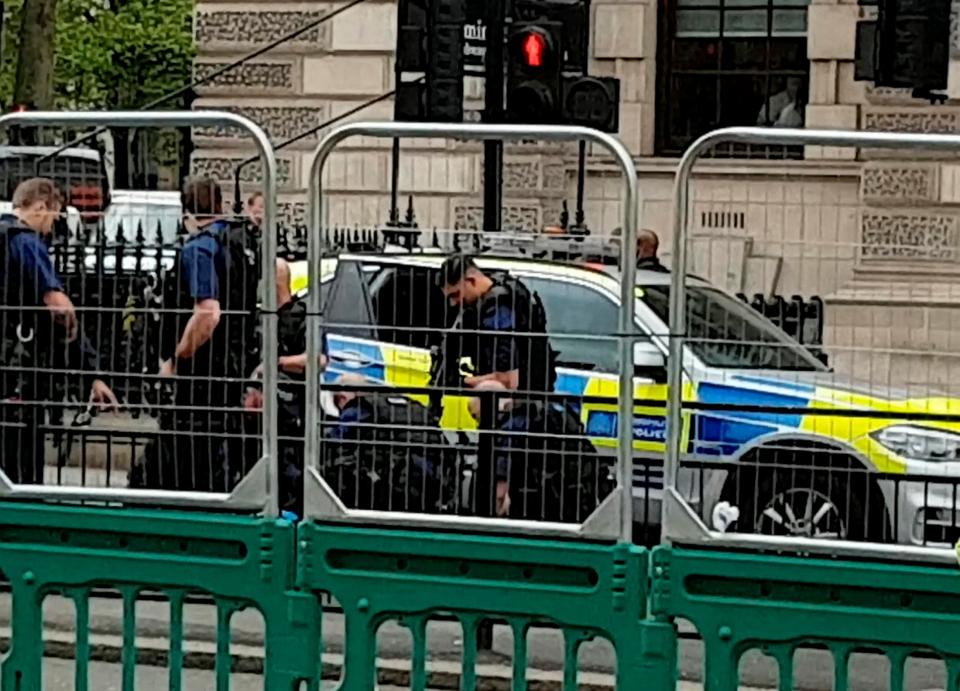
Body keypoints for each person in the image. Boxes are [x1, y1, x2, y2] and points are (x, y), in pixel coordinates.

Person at [130, 176, 260, 492]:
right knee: (215, 462)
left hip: (201, 377)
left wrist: (177, 356)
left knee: (176, 465)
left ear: (186, 211)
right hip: (232, 370)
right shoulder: (239, 247)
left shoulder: (200, 248)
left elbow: (208, 313)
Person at [0, 177, 117, 484]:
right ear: (40, 207)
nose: (54, 226)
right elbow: (59, 307)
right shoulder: (24, 241)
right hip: (20, 370)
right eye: (55, 215)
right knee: (21, 464)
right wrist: (74, 335)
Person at [468, 380, 614, 523]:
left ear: (487, 406)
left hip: (528, 512)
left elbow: (501, 490)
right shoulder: (551, 413)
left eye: (475, 416)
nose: (477, 425)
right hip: (567, 505)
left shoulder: (510, 429)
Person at [322, 373, 458, 513]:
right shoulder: (414, 406)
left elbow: (334, 445)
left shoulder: (358, 409)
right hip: (428, 491)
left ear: (343, 397)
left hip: (384, 495)